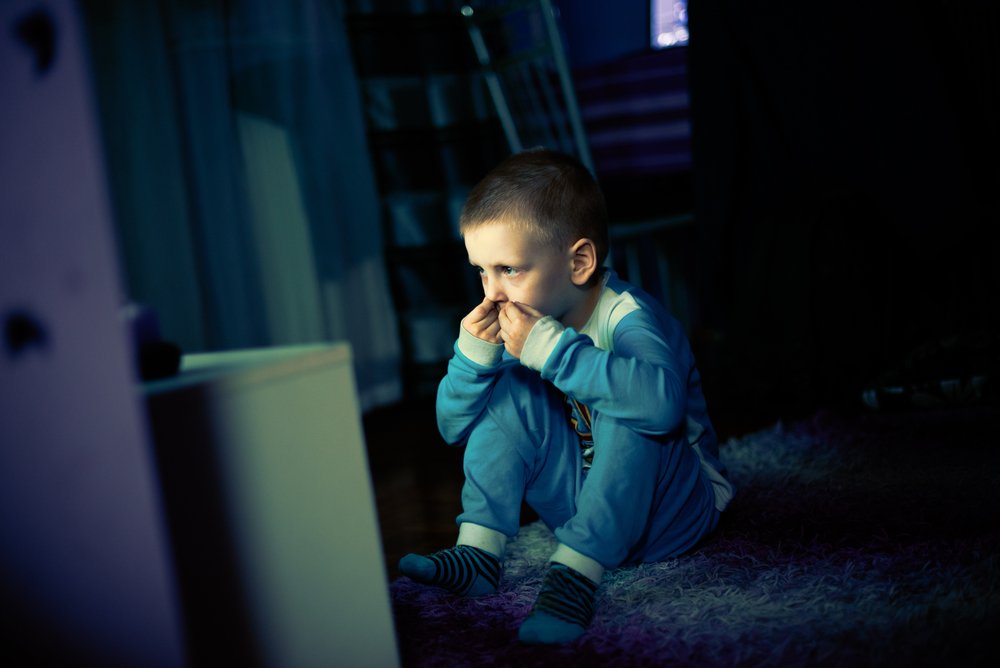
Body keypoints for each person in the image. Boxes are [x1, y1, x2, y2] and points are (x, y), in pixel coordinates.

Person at [398, 148, 734, 645]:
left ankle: (574, 574)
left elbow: (662, 407)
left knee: (630, 403)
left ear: (579, 262)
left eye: (509, 269)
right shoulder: (524, 318)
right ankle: (478, 553)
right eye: (482, 271)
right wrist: (473, 357)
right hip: (583, 502)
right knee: (509, 387)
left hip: (673, 513)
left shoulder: (629, 317)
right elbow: (452, 427)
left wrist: (553, 352)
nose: (492, 293)